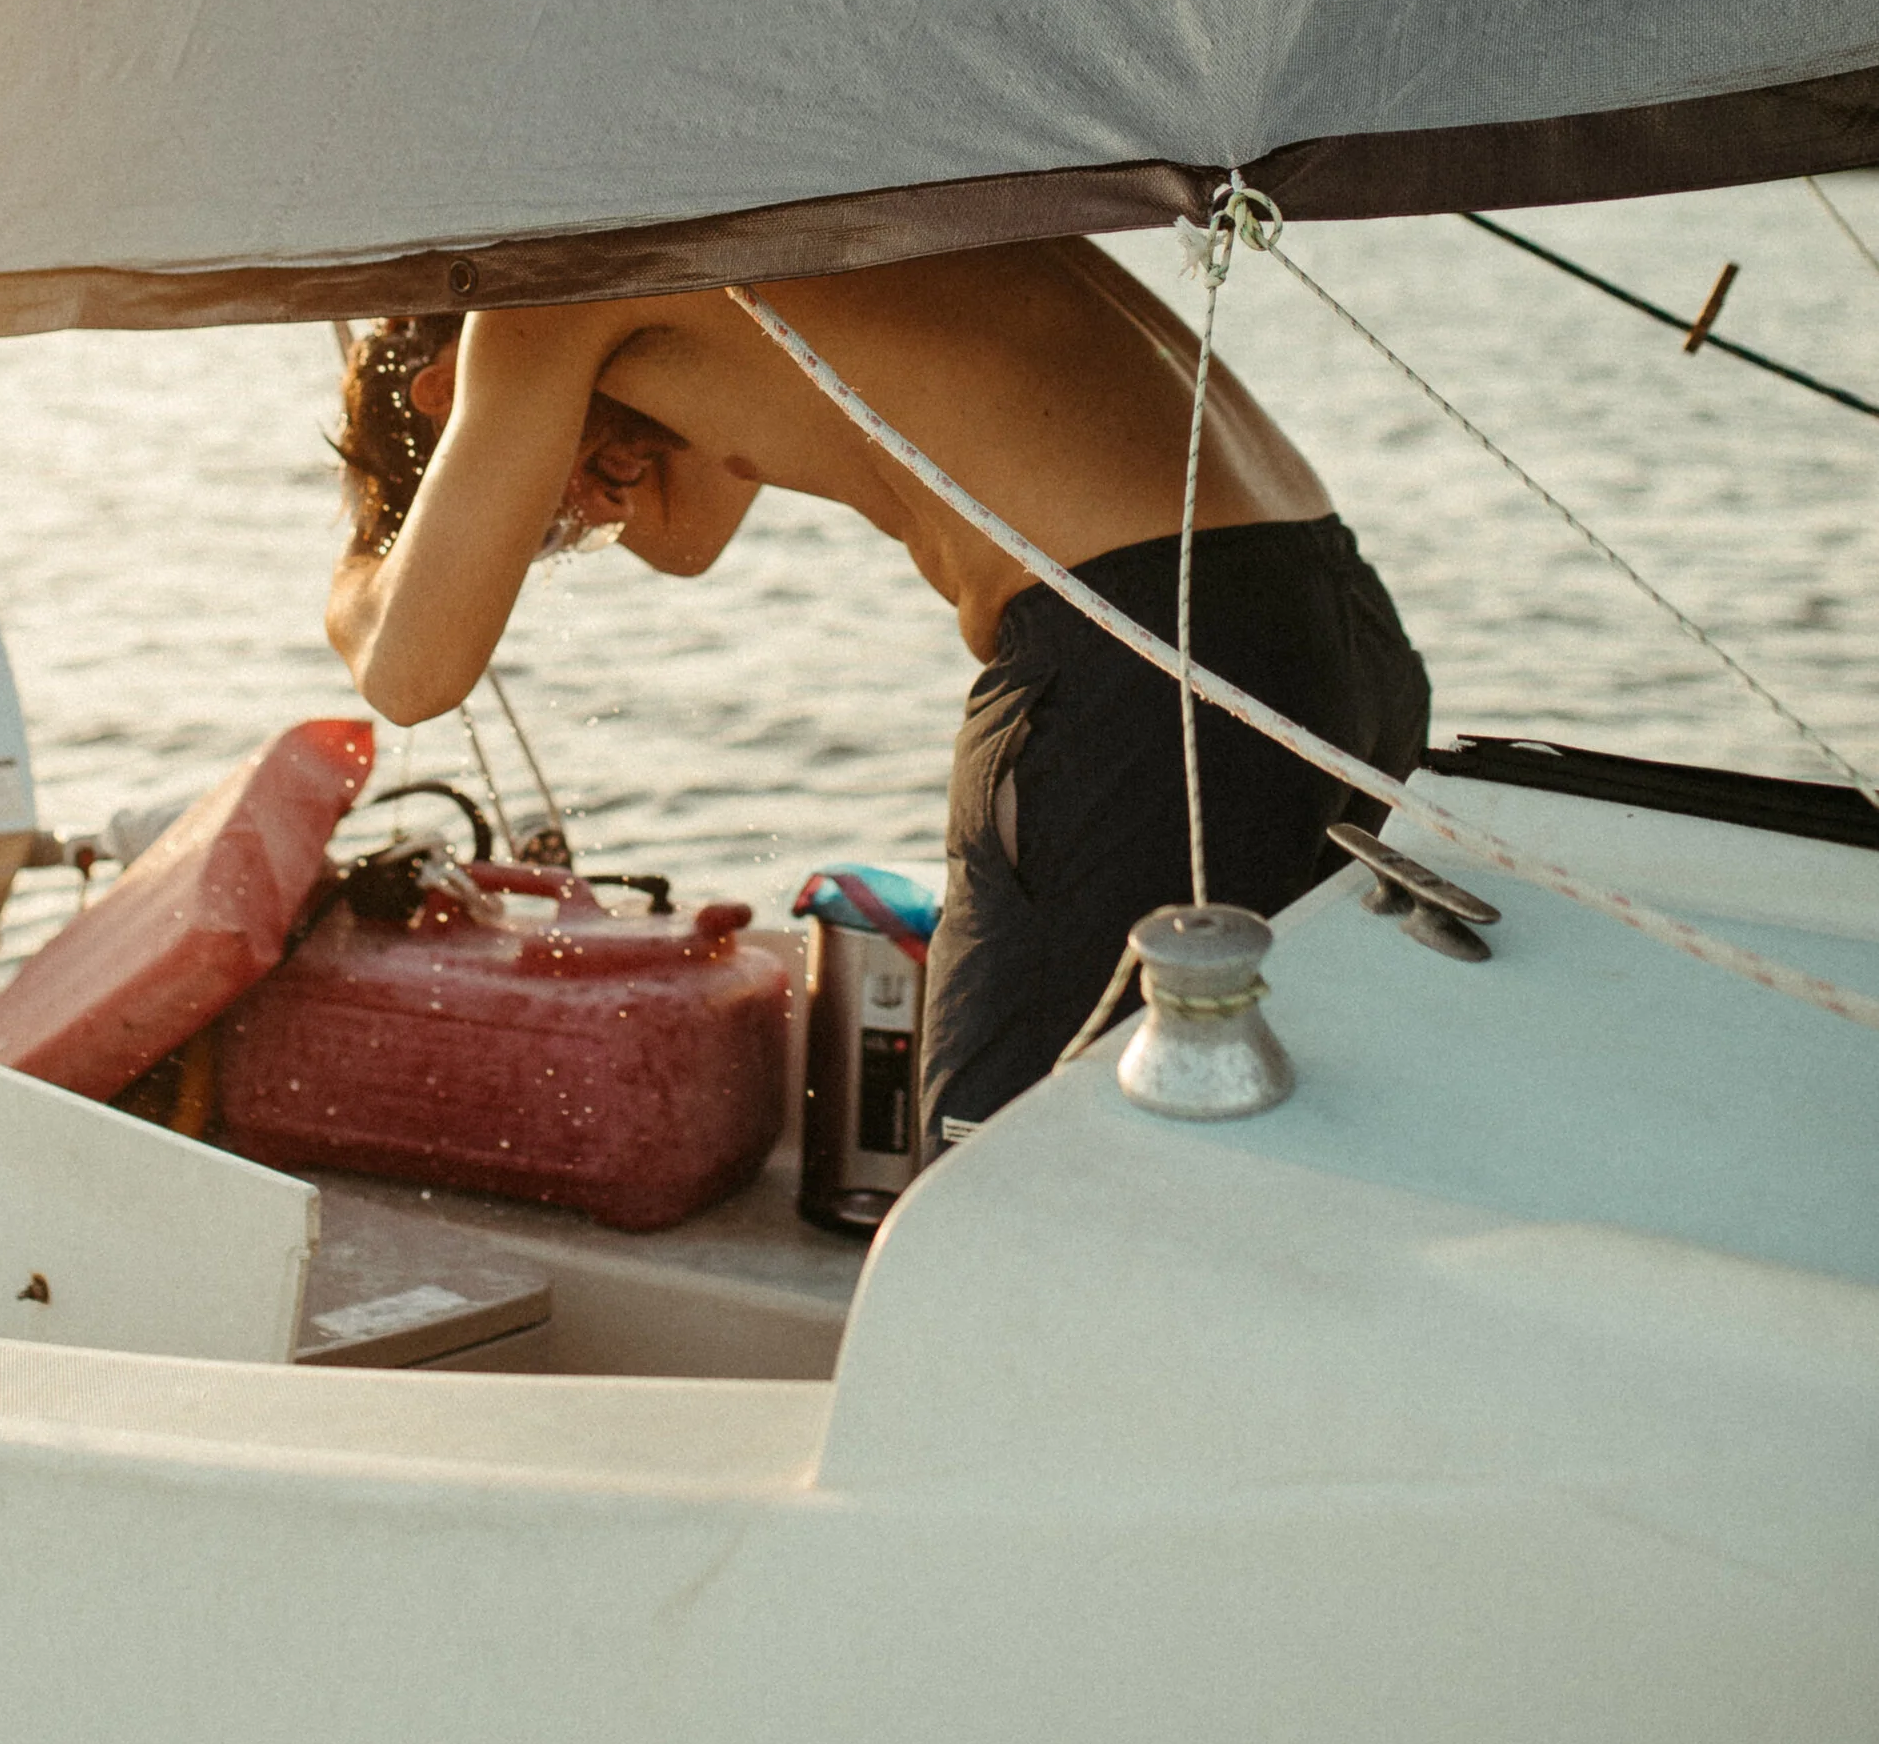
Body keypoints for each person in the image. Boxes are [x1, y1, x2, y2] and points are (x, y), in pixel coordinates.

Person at [326, 245, 1429, 1153]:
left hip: (1142, 663)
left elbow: (412, 673)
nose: (574, 523)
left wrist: (370, 542)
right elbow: (686, 541)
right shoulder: (726, 221)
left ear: (448, 391)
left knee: (1000, 1166)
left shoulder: (531, 295)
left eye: (539, 510)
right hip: (1329, 632)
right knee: (1244, 1135)